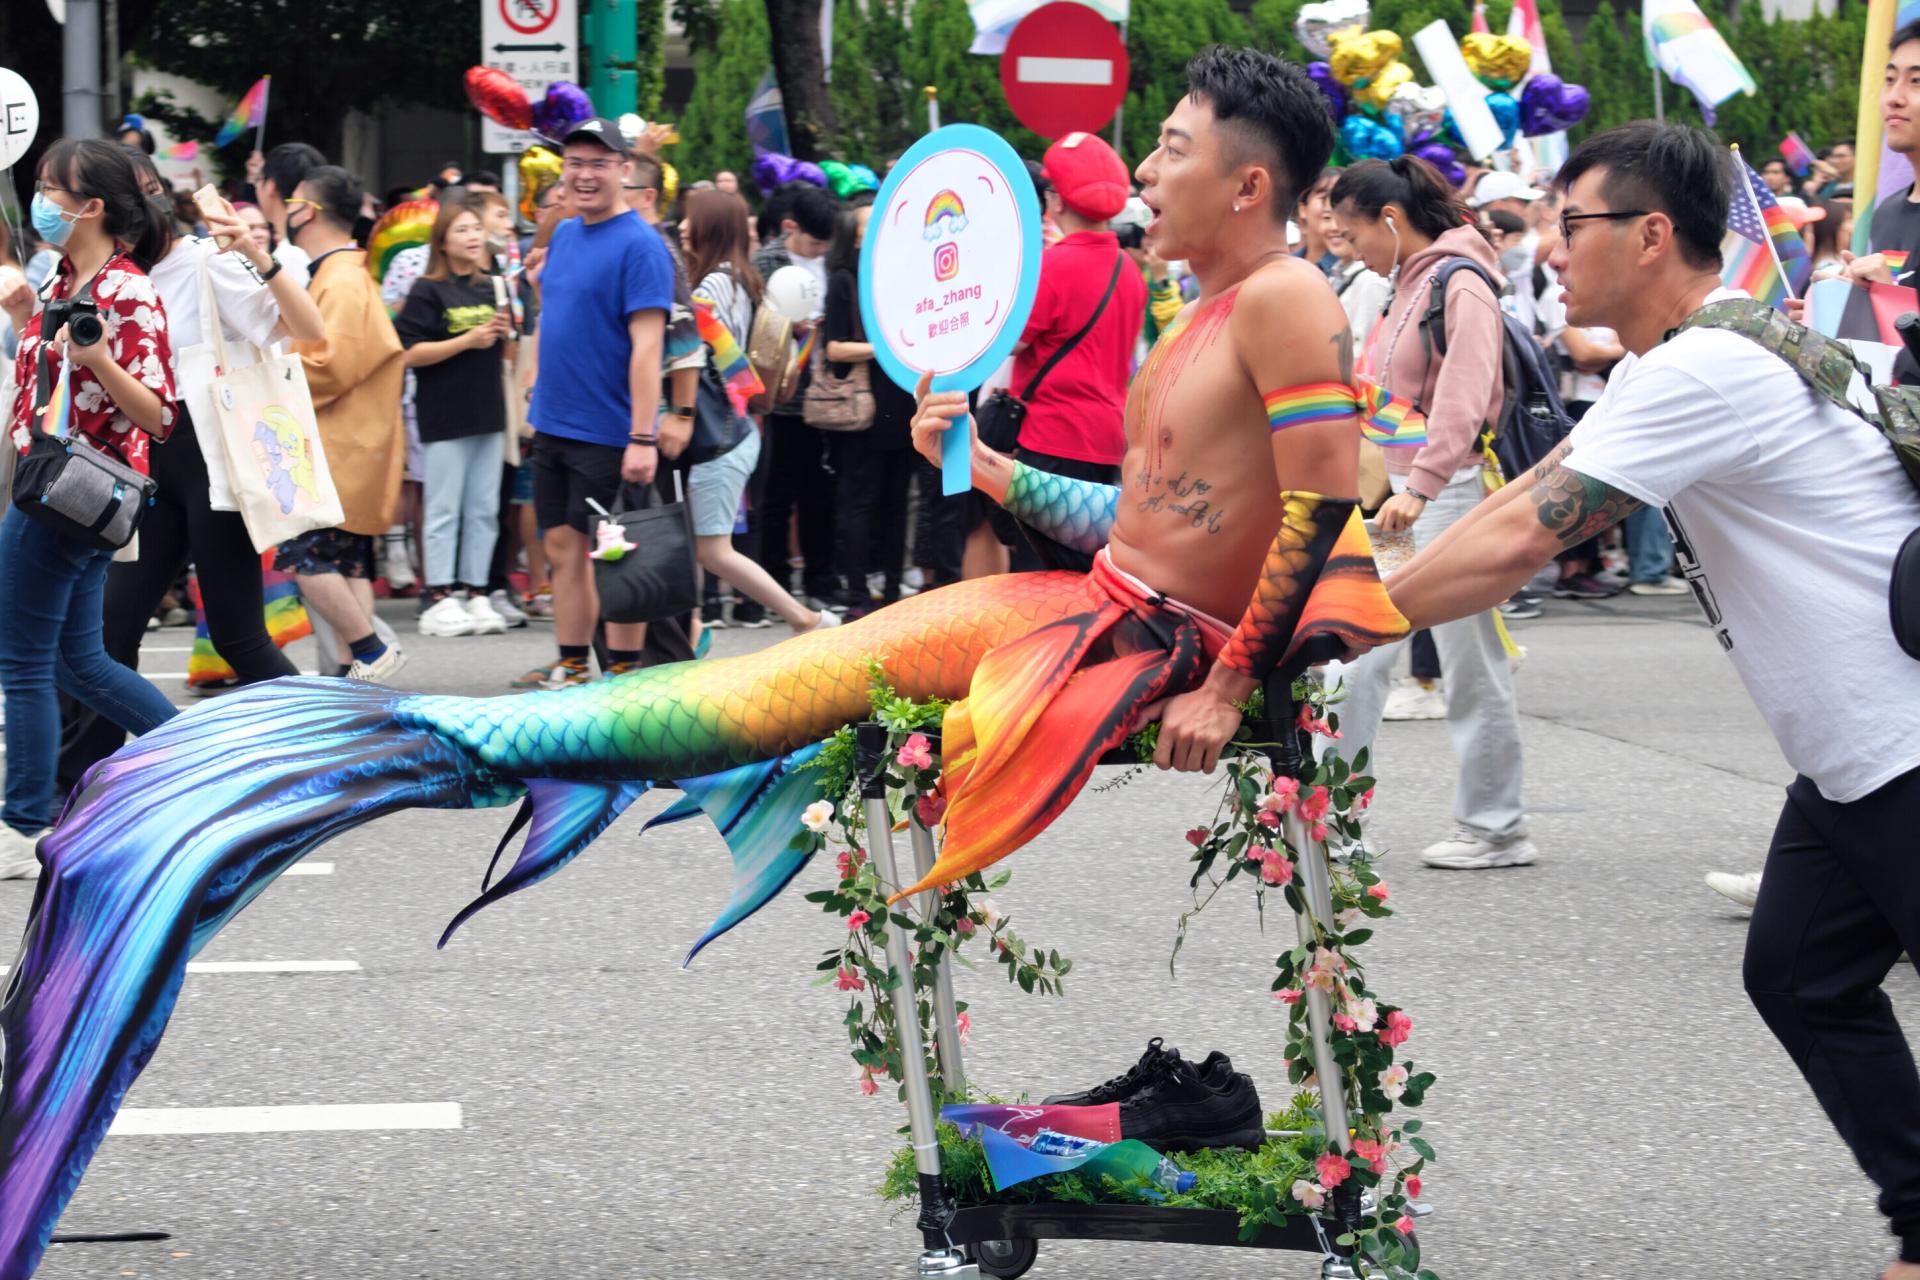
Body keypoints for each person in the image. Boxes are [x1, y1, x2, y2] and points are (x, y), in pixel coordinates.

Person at [1380, 119, 1920, 1280]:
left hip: (1904, 747)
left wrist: (1359, 623)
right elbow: (1527, 488)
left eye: (1573, 227)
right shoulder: (1696, 355)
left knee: (1806, 977)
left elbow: (1526, 534)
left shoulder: (1705, 369)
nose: (1555, 251)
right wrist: (1380, 592)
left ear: (1653, 233)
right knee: (1800, 973)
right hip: (1852, 763)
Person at [915, 44, 1403, 775]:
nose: (1142, 171)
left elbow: (1322, 507)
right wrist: (993, 471)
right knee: (804, 689)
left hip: (1161, 637)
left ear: (1248, 187)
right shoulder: (1196, 314)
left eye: (1172, 149)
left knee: (783, 693)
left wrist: (1227, 687)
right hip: (1113, 607)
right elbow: (1152, 519)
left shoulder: (1286, 293)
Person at [57, 149, 330, 783]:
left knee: (238, 634)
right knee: (108, 633)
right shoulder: (105, 272)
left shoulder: (206, 264)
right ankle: (79, 786)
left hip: (212, 453)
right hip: (140, 460)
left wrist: (256, 257)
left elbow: (308, 327)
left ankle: (323, 758)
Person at [1325, 154, 1532, 870]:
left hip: (1443, 495)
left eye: (1352, 234)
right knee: (1358, 656)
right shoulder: (1410, 283)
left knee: (1465, 664)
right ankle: (1338, 822)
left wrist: (1421, 486)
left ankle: (1496, 825)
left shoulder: (1458, 280)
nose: (1349, 250)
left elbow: (1468, 393)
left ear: (1390, 219)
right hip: (1406, 496)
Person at [0, 138, 181, 875]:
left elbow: (161, 416)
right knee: (79, 663)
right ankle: (204, 760)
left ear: (93, 206)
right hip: (55, 482)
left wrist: (99, 358)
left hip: (71, 493)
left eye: (52, 187)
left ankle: (19, 823)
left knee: (23, 661)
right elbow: (45, 387)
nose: (41, 199)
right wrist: (24, 319)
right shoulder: (66, 278)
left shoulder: (128, 290)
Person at [523, 117, 673, 687]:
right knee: (562, 546)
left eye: (599, 164)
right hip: (555, 422)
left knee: (618, 556)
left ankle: (627, 678)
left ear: (624, 169)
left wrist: (642, 436)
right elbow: (560, 313)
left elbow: (648, 346)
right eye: (575, 164)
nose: (584, 176)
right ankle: (572, 665)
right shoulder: (563, 233)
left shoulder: (641, 245)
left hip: (610, 431)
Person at [680, 189, 838, 632]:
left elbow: (703, 355)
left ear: (709, 227)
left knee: (711, 549)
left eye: (691, 220)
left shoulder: (714, 284)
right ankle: (690, 637)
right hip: (735, 429)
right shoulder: (741, 278)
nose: (682, 227)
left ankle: (805, 618)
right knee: (699, 544)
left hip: (718, 432)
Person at [277, 164, 408, 682]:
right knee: (347, 562)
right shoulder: (343, 273)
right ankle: (354, 676)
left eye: (292, 201)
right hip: (347, 443)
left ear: (307, 210)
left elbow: (330, 366)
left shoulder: (343, 279)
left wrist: (268, 373)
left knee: (302, 557)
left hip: (337, 446)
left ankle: (371, 650)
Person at [995, 132, 1148, 574]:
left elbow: (1012, 344)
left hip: (1050, 437)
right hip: (1106, 441)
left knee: (1038, 573)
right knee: (1087, 569)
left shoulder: (1052, 266)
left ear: (1055, 201)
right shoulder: (1128, 271)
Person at [396, 195, 515, 638]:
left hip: (489, 409)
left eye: (476, 229)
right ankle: (440, 594)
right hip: (444, 412)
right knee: (444, 508)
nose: (472, 237)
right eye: (462, 230)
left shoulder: (495, 284)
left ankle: (477, 591)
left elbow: (512, 343)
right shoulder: (428, 289)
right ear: (442, 241)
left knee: (485, 508)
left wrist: (503, 334)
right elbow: (407, 353)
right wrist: (468, 340)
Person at [820, 201, 916, 617]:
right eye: (869, 221)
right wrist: (887, 350)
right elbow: (834, 347)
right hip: (863, 406)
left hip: (901, 402)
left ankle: (892, 589)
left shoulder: (900, 277)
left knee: (895, 502)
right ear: (854, 235)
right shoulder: (844, 281)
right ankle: (858, 595)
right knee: (859, 501)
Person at [751, 183, 842, 606]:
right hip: (782, 398)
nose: (820, 250)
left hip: (829, 396)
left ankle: (822, 582)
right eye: (813, 241)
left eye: (827, 243)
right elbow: (759, 327)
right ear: (791, 227)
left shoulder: (837, 261)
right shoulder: (766, 263)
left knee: (820, 496)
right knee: (776, 495)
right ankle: (775, 582)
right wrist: (793, 327)